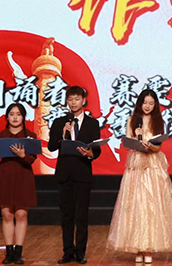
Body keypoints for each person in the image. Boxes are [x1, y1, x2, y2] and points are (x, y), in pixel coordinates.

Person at [106, 89, 172, 264]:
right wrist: (137, 140)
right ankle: (138, 248)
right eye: (145, 103)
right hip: (136, 165)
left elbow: (158, 148)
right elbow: (127, 143)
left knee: (152, 205)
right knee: (135, 205)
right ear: (140, 103)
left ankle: (149, 247)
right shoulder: (132, 120)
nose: (148, 106)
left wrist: (149, 145)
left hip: (153, 165)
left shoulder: (158, 122)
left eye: (151, 103)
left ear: (155, 105)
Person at [48, 86, 101, 264]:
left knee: (82, 216)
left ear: (83, 101)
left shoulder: (92, 123)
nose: (73, 103)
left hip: (83, 173)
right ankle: (67, 252)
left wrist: (90, 154)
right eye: (70, 99)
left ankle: (80, 252)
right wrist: (62, 135)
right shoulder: (59, 122)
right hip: (65, 174)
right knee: (66, 216)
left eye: (77, 99)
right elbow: (51, 147)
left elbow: (97, 149)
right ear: (66, 101)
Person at [0, 103, 38, 264]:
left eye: (18, 114)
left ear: (23, 117)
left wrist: (23, 155)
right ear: (7, 117)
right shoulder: (0, 136)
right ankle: (9, 252)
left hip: (23, 177)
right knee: (7, 215)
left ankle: (18, 252)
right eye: (12, 114)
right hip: (4, 177)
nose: (15, 117)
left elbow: (32, 160)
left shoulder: (30, 136)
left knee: (21, 214)